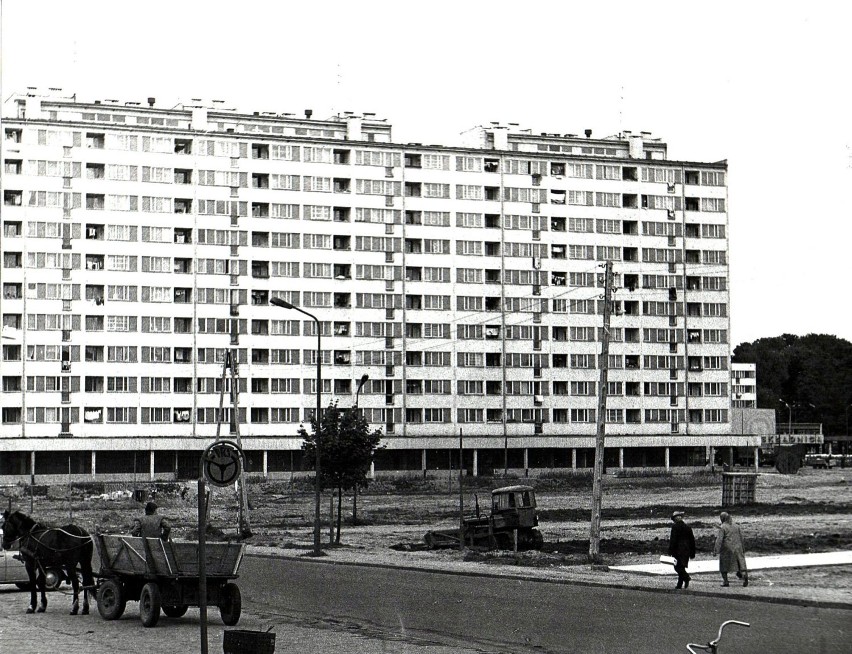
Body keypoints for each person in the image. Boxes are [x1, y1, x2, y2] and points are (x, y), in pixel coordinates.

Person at [714, 511, 748, 587]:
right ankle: (744, 575)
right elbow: (741, 538)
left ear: (722, 518)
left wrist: (716, 550)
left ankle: (726, 581)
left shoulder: (723, 527)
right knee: (740, 564)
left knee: (723, 565)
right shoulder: (737, 526)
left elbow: (719, 540)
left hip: (727, 549)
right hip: (738, 548)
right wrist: (743, 548)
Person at [668, 510, 696, 589]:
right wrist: (692, 552)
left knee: (677, 567)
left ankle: (686, 578)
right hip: (686, 550)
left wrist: (670, 550)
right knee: (681, 567)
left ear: (675, 519)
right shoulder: (687, 527)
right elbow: (692, 541)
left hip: (677, 550)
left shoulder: (675, 527)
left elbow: (673, 540)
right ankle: (679, 584)